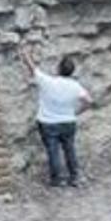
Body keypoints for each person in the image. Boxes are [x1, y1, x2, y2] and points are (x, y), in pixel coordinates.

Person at [19, 46, 93, 188]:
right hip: (68, 122)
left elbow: (32, 68)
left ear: (58, 69)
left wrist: (26, 54)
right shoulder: (75, 86)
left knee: (53, 151)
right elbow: (89, 101)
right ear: (72, 72)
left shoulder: (48, 82)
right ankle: (75, 177)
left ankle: (57, 179)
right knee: (69, 149)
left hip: (48, 123)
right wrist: (77, 112)